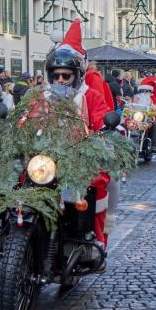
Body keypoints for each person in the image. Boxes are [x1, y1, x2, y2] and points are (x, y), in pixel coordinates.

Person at [45, 20, 112, 248]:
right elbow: (26, 118)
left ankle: (94, 240)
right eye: (56, 76)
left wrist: (106, 128)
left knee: (97, 184)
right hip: (46, 157)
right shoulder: (42, 98)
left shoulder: (90, 96)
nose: (60, 80)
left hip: (80, 157)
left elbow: (102, 116)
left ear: (77, 75)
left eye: (66, 76)